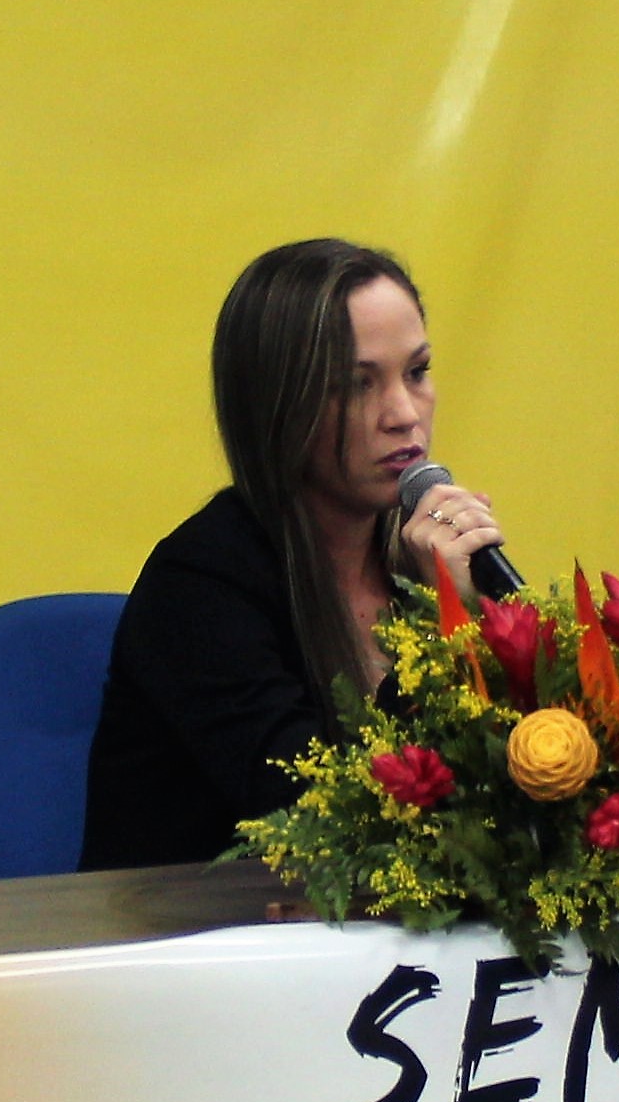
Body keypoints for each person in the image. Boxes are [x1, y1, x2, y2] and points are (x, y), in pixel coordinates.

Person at [78, 238, 510, 870]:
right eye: (358, 385)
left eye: (416, 372)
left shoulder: (420, 555)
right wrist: (444, 629)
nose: (403, 414)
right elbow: (327, 819)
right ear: (278, 405)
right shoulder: (199, 586)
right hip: (203, 926)